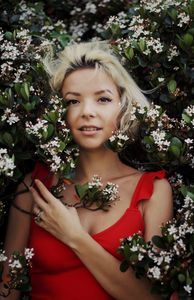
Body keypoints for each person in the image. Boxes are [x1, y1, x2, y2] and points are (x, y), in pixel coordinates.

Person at [0, 41, 173, 300]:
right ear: (58, 114)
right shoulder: (34, 188)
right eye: (73, 101)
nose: (87, 112)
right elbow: (7, 291)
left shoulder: (153, 191)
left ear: (123, 107)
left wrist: (74, 237)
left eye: (103, 99)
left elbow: (155, 296)